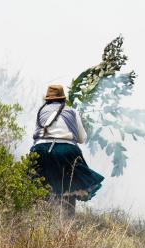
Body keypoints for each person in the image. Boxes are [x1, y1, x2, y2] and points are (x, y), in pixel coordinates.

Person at [30, 85, 104, 217]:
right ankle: (67, 224)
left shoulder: (40, 112)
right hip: (66, 152)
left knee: (38, 184)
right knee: (70, 186)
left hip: (41, 150)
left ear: (48, 99)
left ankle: (41, 218)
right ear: (63, 99)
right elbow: (82, 139)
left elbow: (36, 135)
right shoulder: (72, 112)